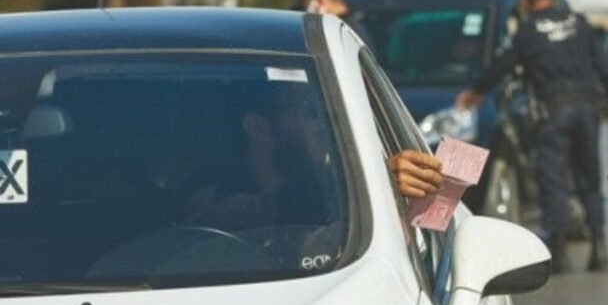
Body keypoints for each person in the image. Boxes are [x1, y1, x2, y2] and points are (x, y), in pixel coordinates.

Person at [455, 0, 608, 273]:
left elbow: (502, 65)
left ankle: (559, 253)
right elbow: (605, 66)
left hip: (553, 113)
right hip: (587, 111)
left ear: (525, 1)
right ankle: (599, 248)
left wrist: (476, 91)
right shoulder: (578, 23)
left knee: (553, 180)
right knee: (589, 177)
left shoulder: (528, 32)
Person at [186, 83, 443, 231]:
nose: (325, 123)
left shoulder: (323, 190)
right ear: (258, 128)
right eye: (310, 110)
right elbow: (274, 209)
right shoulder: (211, 204)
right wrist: (371, 181)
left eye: (324, 110)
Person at [292, 0, 374, 48]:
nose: (305, 11)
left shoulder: (337, 34)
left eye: (305, 6)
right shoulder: (353, 30)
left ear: (319, 1)